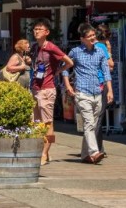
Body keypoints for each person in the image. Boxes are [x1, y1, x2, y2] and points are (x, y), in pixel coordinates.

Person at [63, 23, 112, 165]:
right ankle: (94, 151)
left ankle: (85, 154)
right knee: (89, 123)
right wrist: (67, 85)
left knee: (93, 124)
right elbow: (64, 68)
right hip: (82, 92)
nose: (92, 38)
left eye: (93, 35)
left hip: (97, 91)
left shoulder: (100, 52)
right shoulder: (75, 52)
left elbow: (106, 72)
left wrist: (110, 90)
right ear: (82, 38)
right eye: (89, 36)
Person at [31, 18, 73, 166]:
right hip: (35, 88)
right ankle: (42, 152)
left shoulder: (51, 47)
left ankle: (44, 153)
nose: (36, 31)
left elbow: (69, 62)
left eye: (39, 29)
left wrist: (58, 71)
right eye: (35, 29)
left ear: (46, 32)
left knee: (47, 123)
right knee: (36, 123)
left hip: (47, 89)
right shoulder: (35, 47)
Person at [94, 28, 114, 156]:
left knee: (93, 117)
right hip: (101, 83)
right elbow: (110, 65)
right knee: (98, 117)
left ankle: (97, 147)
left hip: (89, 85)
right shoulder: (101, 46)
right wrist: (110, 51)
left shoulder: (84, 47)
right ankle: (97, 148)